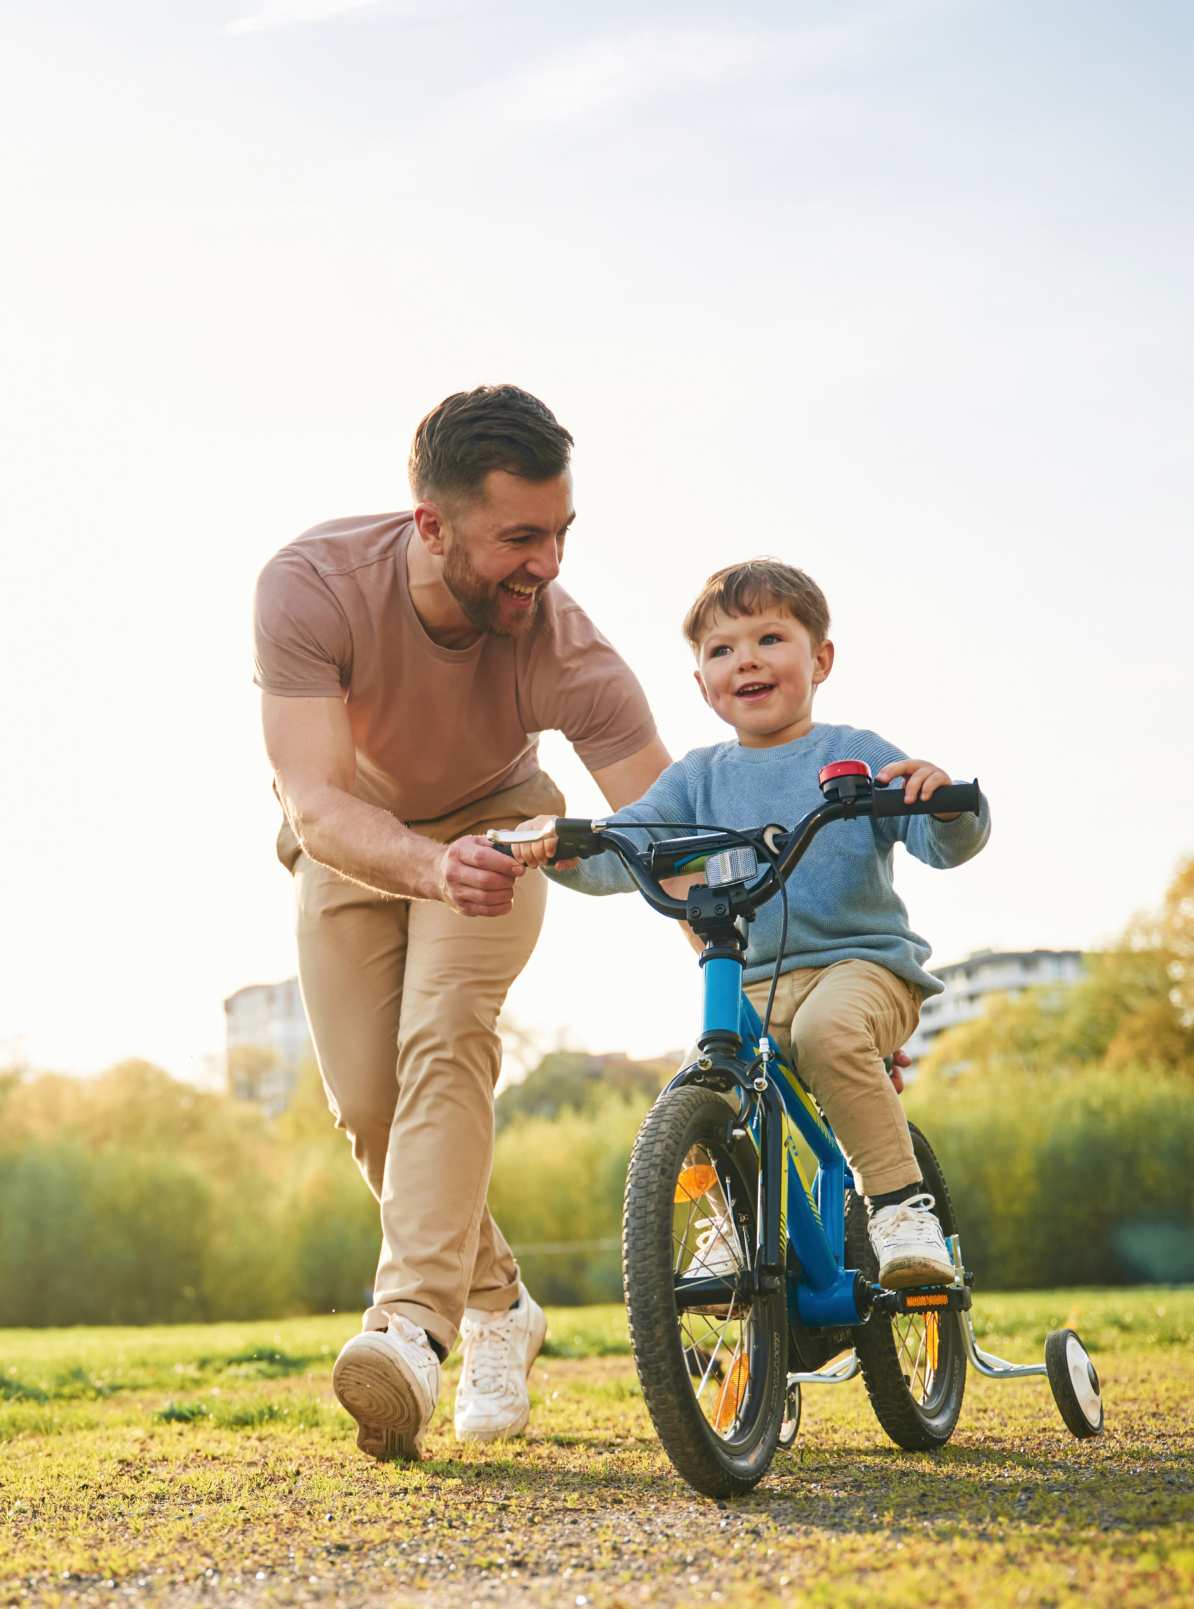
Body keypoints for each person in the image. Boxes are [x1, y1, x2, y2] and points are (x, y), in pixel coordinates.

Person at [253, 385, 670, 1461]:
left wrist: (753, 970)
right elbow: (313, 799)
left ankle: (409, 1331)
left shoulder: (561, 644)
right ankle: (501, 1303)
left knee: (446, 1034)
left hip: (499, 829)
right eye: (520, 537)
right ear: (430, 526)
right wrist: (421, 863)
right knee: (369, 1106)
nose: (550, 563)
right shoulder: (311, 587)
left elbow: (672, 827)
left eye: (562, 532)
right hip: (356, 837)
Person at [511, 558, 990, 1289]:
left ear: (819, 659)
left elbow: (938, 839)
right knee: (705, 1085)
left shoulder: (851, 754)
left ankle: (898, 1207)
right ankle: (734, 1230)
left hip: (862, 969)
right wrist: (563, 848)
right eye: (722, 649)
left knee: (831, 1032)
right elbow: (631, 838)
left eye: (770, 637)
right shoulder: (697, 779)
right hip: (753, 983)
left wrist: (945, 803)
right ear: (702, 684)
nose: (747, 660)